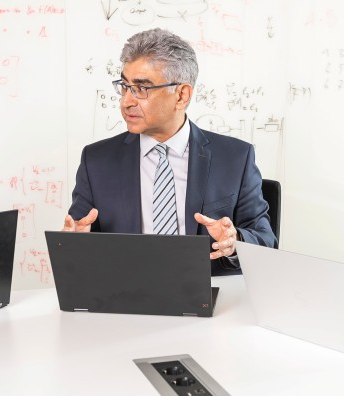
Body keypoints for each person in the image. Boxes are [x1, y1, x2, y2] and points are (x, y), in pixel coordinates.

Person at [64, 28, 276, 275]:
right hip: (128, 293)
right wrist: (74, 245)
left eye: (141, 88)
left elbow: (266, 241)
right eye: (124, 86)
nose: (126, 101)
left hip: (209, 292)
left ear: (181, 95)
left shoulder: (235, 158)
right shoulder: (96, 161)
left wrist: (234, 240)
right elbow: (78, 244)